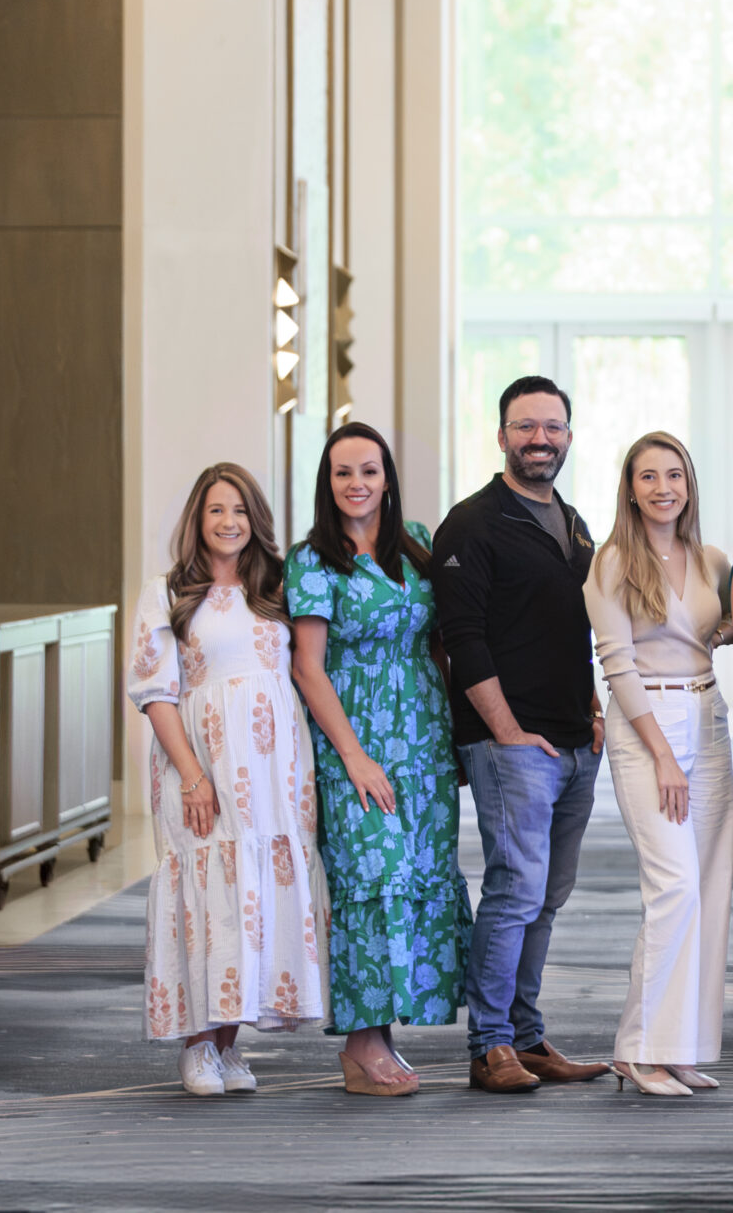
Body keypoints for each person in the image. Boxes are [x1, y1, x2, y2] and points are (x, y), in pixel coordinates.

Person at [431, 376, 613, 1094]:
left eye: (553, 427)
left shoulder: (573, 522)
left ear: (569, 434)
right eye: (525, 426)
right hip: (513, 743)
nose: (540, 438)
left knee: (547, 894)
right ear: (502, 434)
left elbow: (578, 632)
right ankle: (489, 1044)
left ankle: (528, 1035)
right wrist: (507, 732)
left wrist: (594, 710)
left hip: (573, 742)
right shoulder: (471, 524)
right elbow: (462, 638)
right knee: (514, 888)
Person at [126, 462, 328, 1095]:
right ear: (198, 519)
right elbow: (154, 692)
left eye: (240, 511)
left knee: (258, 894)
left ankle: (229, 1041)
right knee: (209, 893)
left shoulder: (276, 589)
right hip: (204, 763)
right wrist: (192, 777)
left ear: (255, 521)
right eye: (217, 510)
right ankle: (197, 1045)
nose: (229, 522)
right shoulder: (166, 591)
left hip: (276, 768)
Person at [286, 423, 469, 1097]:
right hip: (352, 740)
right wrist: (356, 756)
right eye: (342, 472)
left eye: (368, 470)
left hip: (423, 739)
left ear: (387, 477)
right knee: (371, 878)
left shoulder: (416, 543)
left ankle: (383, 1034)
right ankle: (361, 1045)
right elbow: (308, 668)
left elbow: (442, 644)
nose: (356, 483)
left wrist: (455, 738)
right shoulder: (311, 560)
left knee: (418, 876)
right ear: (326, 483)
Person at [586, 432, 733, 1098]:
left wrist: (727, 627)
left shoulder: (710, 559)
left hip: (708, 717)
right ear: (630, 488)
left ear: (690, 483)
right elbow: (616, 664)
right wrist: (664, 756)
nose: (663, 487)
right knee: (672, 884)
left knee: (706, 886)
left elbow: (720, 624)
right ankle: (637, 1047)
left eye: (674, 474)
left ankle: (679, 1047)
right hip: (650, 727)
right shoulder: (613, 561)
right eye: (648, 476)